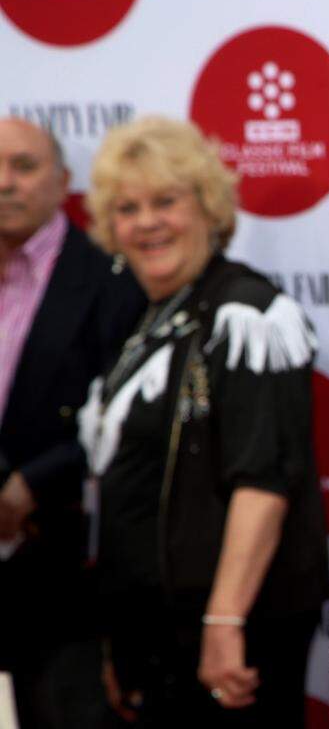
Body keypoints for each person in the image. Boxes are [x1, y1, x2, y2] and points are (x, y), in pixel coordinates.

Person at [77, 116, 329, 728]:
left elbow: (263, 484)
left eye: (166, 200)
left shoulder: (249, 314)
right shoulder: (147, 322)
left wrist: (224, 622)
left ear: (208, 208)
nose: (147, 222)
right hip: (157, 637)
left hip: (229, 636)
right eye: (129, 207)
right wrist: (122, 642)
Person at [0, 118, 144, 728]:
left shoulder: (112, 279)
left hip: (60, 571)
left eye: (24, 166)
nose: (5, 183)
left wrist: (31, 484)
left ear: (63, 182)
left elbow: (126, 416)